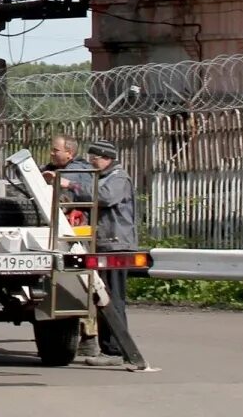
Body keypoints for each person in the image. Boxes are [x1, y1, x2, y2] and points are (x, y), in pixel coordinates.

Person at [64, 139, 144, 368]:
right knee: (103, 296)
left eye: (95, 158)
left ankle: (115, 350)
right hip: (105, 244)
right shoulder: (104, 177)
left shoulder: (118, 178)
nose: (92, 162)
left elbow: (105, 198)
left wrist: (72, 185)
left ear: (106, 158)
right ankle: (109, 347)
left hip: (116, 245)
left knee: (112, 298)